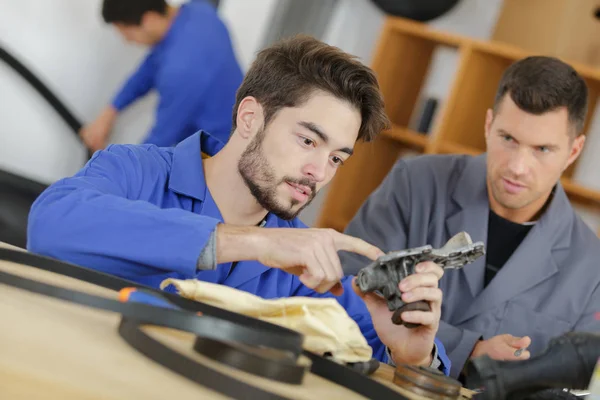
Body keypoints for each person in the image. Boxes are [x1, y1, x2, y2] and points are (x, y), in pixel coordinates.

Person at [28, 35, 452, 374]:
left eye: (337, 157)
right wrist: (251, 243)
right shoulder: (136, 171)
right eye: (308, 140)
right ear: (250, 118)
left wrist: (412, 355)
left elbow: (391, 352)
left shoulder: (307, 260)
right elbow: (50, 223)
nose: (319, 172)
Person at [339, 55, 600, 378]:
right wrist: (468, 350)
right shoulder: (416, 182)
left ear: (573, 151)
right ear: (489, 125)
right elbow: (348, 286)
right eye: (508, 139)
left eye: (542, 150)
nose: (518, 167)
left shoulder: (592, 268)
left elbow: (579, 382)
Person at [80, 0, 243, 150]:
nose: (128, 41)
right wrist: (109, 113)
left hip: (223, 150)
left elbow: (159, 140)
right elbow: (150, 68)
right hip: (237, 123)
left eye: (127, 34)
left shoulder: (181, 69)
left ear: (149, 20)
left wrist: (119, 167)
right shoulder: (200, 11)